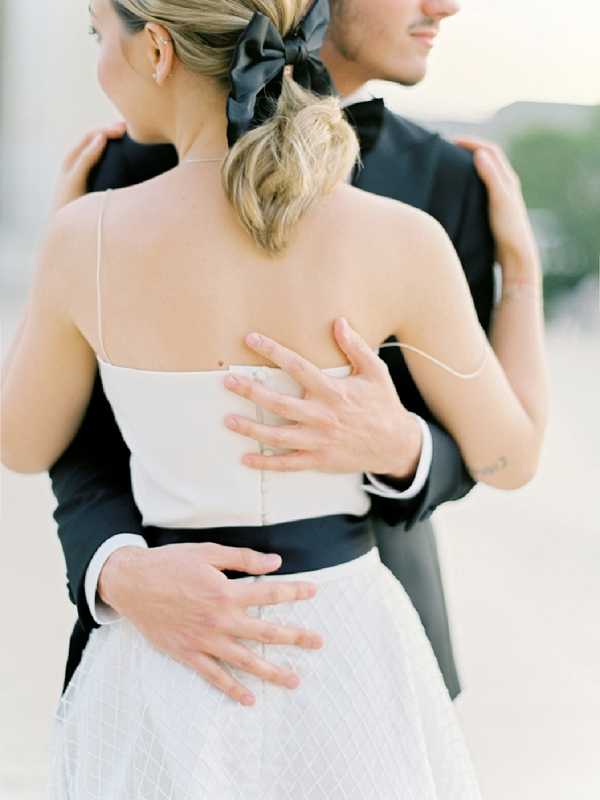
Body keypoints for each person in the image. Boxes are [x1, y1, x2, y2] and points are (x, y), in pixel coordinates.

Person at [1, 0, 549, 795]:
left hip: (162, 677)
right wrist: (522, 276)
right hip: (343, 648)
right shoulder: (402, 238)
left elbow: (21, 440)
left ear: (157, 50)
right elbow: (513, 455)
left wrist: (64, 244)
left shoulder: (87, 230)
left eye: (98, 35)